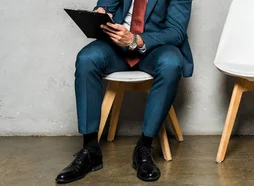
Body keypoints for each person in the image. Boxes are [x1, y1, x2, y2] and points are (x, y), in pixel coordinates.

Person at [56, 0, 193, 183]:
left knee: (171, 64)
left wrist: (137, 40)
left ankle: (144, 147)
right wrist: (102, 14)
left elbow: (176, 31)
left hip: (153, 49)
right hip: (116, 48)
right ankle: (90, 150)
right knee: (87, 59)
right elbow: (106, 5)